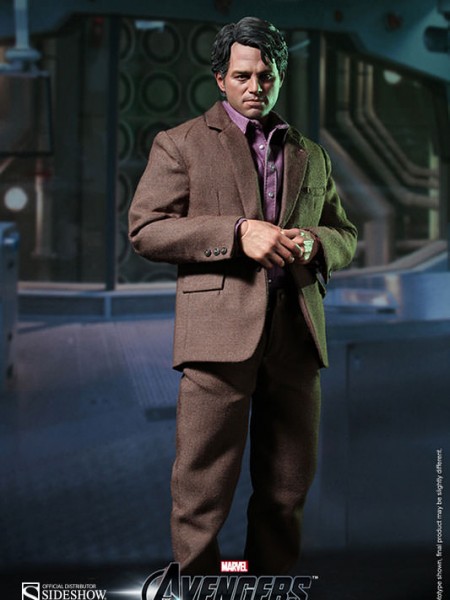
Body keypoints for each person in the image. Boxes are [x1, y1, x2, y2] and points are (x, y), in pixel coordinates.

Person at [129, 16, 357, 575]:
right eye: (242, 75)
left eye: (267, 76)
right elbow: (146, 229)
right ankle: (198, 589)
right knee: (201, 494)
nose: (256, 86)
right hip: (217, 336)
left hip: (295, 336)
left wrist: (315, 243)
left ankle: (269, 586)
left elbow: (345, 233)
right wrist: (236, 233)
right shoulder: (180, 144)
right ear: (220, 79)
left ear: (280, 77)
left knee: (287, 489)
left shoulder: (310, 154)